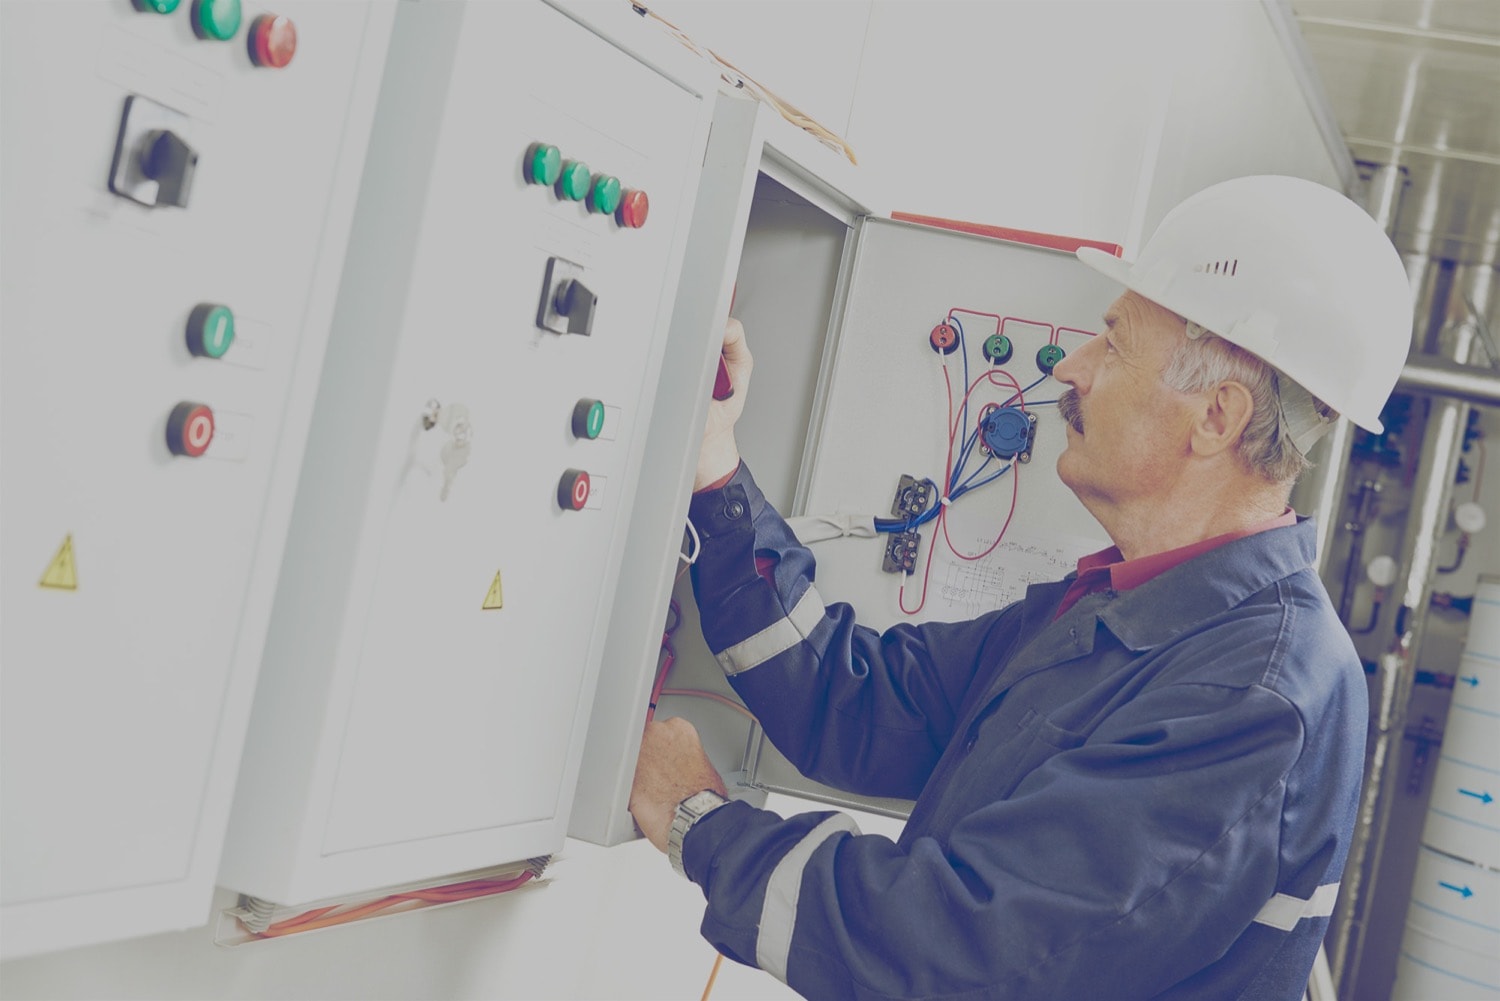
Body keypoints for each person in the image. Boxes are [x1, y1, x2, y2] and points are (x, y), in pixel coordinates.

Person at [628, 175, 1413, 1000]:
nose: (1071, 366)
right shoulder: (1133, 608)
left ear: (1215, 417)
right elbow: (863, 703)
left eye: (1114, 343)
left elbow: (953, 952)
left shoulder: (1253, 697)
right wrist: (716, 470)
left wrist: (700, 821)